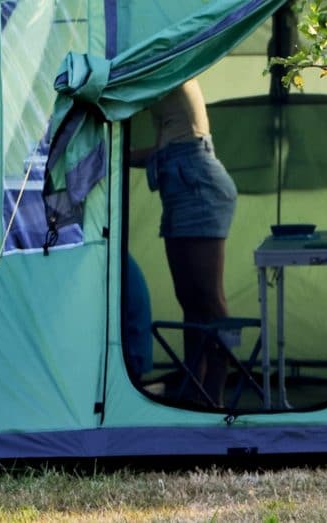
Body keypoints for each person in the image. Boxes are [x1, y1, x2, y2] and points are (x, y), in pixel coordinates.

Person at [131, 78, 237, 407]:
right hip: (177, 181)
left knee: (210, 299)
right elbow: (165, 148)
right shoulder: (161, 62)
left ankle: (216, 392)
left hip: (197, 182)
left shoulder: (171, 61)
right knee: (190, 300)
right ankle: (194, 387)